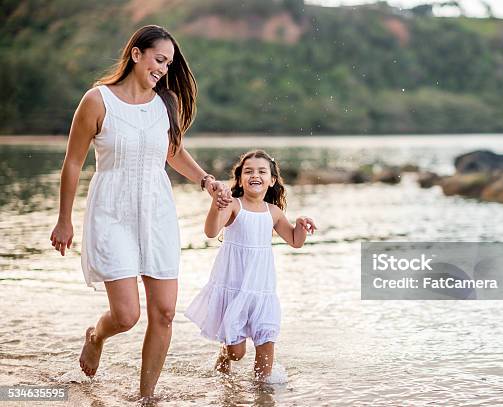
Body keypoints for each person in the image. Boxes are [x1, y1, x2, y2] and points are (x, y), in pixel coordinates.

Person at [48, 25, 232, 400]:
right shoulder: (97, 101)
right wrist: (64, 219)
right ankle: (96, 336)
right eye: (159, 60)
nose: (164, 69)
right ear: (136, 54)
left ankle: (146, 397)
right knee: (127, 315)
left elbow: (173, 152)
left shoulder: (166, 104)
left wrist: (206, 181)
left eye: (169, 64)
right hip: (111, 213)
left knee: (164, 313)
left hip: (157, 212)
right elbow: (72, 164)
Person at [185, 150, 317, 381]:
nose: (255, 175)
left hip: (262, 290)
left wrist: (300, 226)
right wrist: (216, 206)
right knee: (237, 354)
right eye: (248, 171)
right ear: (240, 179)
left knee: (265, 352)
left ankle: (263, 393)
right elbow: (211, 231)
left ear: (272, 180)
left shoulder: (273, 211)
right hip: (235, 287)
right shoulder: (234, 205)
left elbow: (295, 242)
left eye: (261, 171)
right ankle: (224, 358)